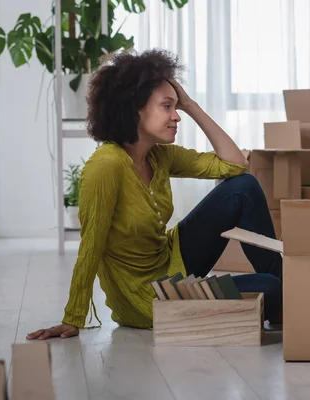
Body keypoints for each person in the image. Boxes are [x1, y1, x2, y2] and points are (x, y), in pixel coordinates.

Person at [27, 49, 283, 340]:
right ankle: (286, 299)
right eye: (167, 107)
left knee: (244, 188)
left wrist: (192, 105)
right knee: (270, 287)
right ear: (134, 108)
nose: (176, 116)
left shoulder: (158, 156)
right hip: (148, 297)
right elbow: (91, 246)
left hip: (172, 261)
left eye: (176, 107)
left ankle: (291, 301)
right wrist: (72, 318)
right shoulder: (106, 166)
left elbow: (235, 166)